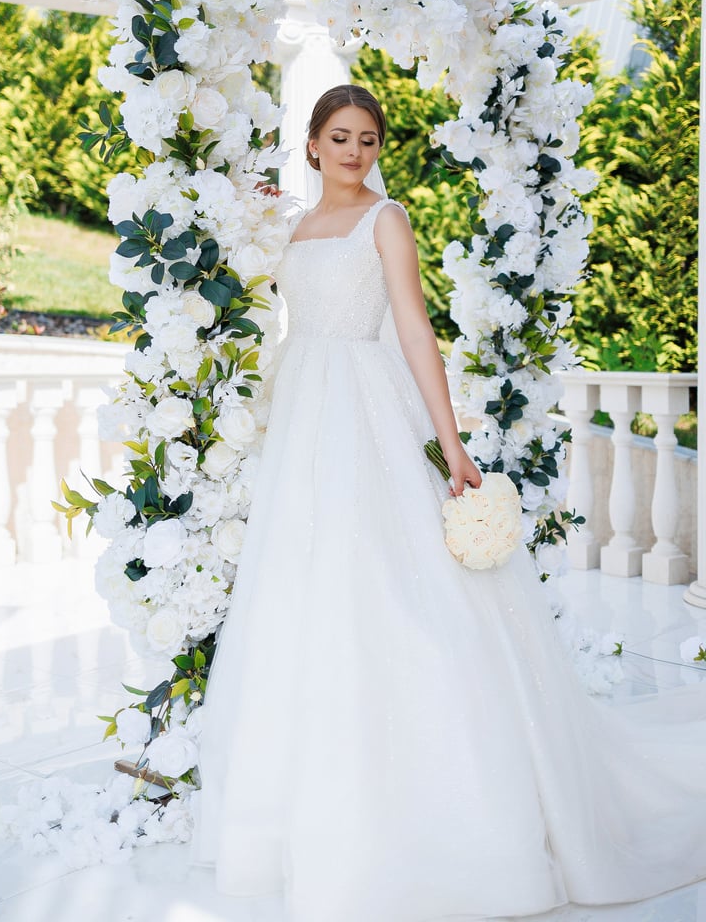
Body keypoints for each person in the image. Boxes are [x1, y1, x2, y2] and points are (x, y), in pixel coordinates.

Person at [191, 85, 706, 921]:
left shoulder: (384, 220)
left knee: (395, 590)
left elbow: (416, 328)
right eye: (339, 136)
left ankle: (437, 805)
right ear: (312, 144)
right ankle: (303, 812)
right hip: (303, 416)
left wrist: (450, 440)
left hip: (364, 404)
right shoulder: (290, 228)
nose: (355, 151)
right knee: (304, 593)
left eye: (367, 138)